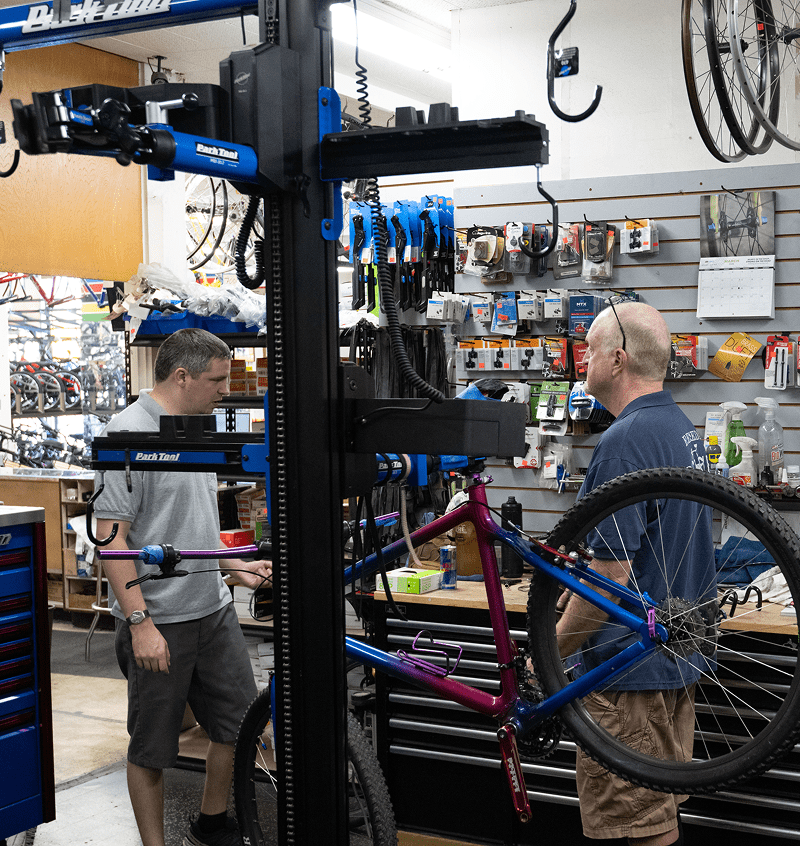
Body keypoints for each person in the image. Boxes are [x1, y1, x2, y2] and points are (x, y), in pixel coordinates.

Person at [92, 328, 272, 846]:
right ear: (182, 376)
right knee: (152, 748)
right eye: (216, 380)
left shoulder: (196, 427)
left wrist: (230, 567)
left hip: (211, 611)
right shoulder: (126, 435)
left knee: (240, 728)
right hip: (158, 620)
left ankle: (211, 822)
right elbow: (113, 540)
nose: (223, 390)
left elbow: (190, 523)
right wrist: (140, 623)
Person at [557, 302, 712, 846]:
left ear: (618, 359)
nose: (582, 362)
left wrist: (549, 654)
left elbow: (609, 580)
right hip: (672, 665)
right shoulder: (680, 429)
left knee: (632, 831)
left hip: (624, 678)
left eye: (591, 350)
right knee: (657, 820)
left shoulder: (625, 440)